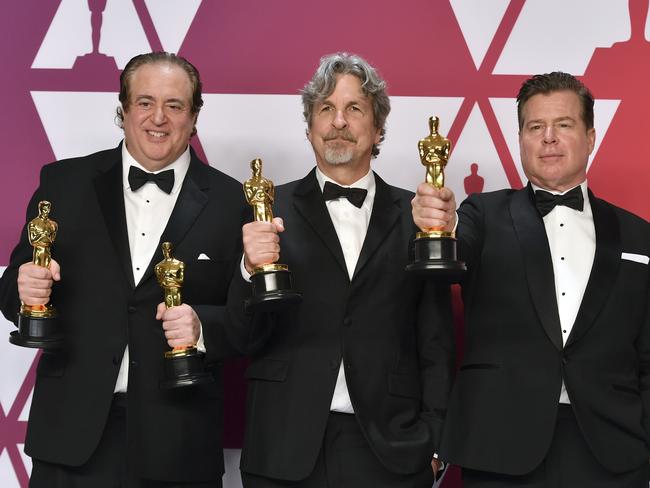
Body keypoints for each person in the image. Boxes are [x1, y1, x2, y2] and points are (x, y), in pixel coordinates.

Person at [0, 51, 246, 487]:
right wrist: (24, 288)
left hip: (180, 443)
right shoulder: (64, 183)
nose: (159, 118)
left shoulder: (233, 202)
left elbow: (251, 324)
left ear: (194, 117)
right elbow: (11, 291)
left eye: (175, 105)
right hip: (70, 439)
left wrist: (203, 328)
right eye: (145, 102)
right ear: (123, 110)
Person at [226, 52, 455, 487]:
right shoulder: (266, 212)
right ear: (309, 126)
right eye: (325, 109)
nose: (338, 121)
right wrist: (246, 268)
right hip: (283, 448)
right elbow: (240, 337)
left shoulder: (418, 217)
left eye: (354, 109)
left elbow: (435, 341)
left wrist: (437, 440)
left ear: (378, 127)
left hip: (390, 450)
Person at [412, 71, 650, 487]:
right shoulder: (479, 215)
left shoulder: (638, 234)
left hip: (614, 451)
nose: (548, 138)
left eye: (563, 125)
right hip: (500, 448)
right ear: (520, 138)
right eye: (535, 127)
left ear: (590, 137)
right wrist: (439, 226)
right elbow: (449, 256)